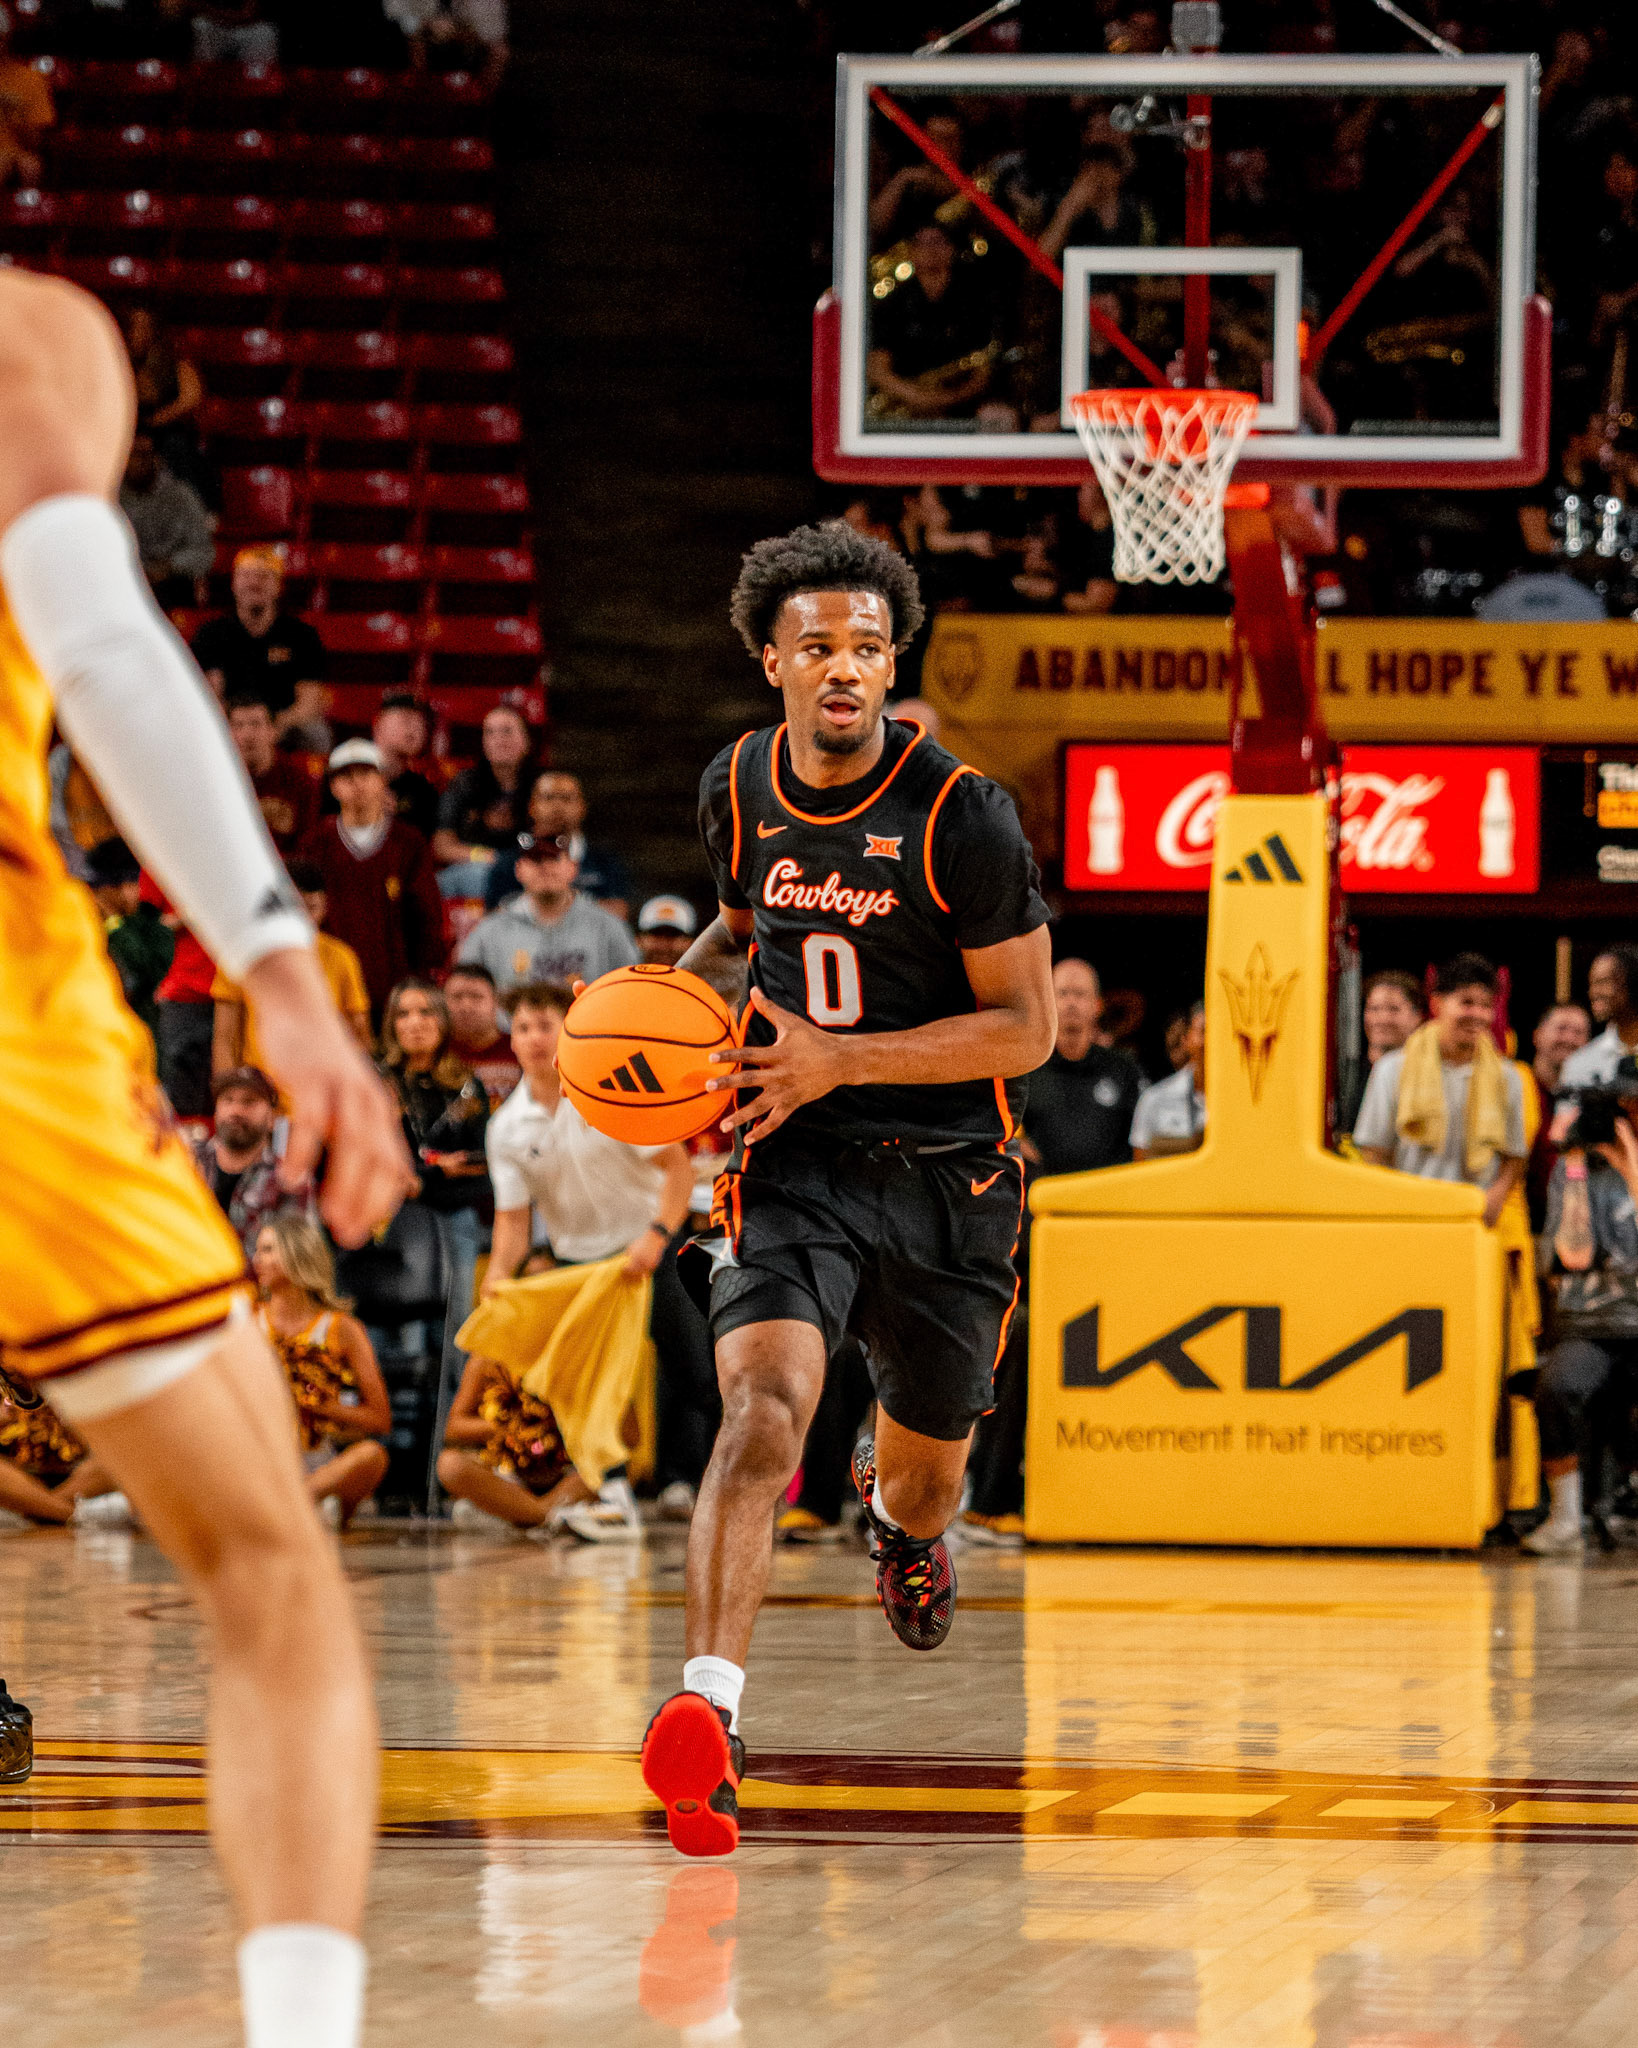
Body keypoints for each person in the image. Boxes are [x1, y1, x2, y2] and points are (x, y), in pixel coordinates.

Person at [0, 266, 415, 2047]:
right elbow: (100, 643)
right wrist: (279, 972)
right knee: (266, 1574)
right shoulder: (29, 341)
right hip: (17, 1055)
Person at [639, 522, 1053, 1858]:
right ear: (771, 660)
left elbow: (1028, 1029)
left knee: (930, 1487)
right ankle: (709, 1717)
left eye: (867, 648)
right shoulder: (737, 785)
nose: (843, 667)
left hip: (948, 1182)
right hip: (794, 1158)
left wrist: (843, 1057)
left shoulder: (962, 816)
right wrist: (660, 1017)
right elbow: (742, 931)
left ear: (891, 664)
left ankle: (895, 1517)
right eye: (815, 645)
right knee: (761, 1413)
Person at [482, 982, 696, 1539]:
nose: (534, 1038)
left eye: (545, 1025)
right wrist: (499, 1273)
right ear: (511, 1039)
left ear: (570, 1031)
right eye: (523, 1027)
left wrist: (656, 1235)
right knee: (588, 1388)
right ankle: (615, 1497)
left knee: (697, 1370)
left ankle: (703, 1482)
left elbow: (678, 1169)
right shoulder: (505, 1128)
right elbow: (513, 1222)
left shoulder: (612, 1088)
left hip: (653, 1248)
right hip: (581, 1265)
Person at [1524, 1064, 1638, 1556]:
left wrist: (1632, 1169)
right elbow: (1572, 1255)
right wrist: (1572, 1166)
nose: (1629, 1115)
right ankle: (1566, 1518)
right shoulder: (1578, 1170)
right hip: (1592, 1324)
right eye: (1623, 1106)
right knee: (1557, 1387)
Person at [252, 1215, 390, 1530]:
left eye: (268, 1250)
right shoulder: (247, 1318)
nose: (257, 1259)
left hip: (317, 1460)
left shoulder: (343, 1328)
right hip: (258, 1454)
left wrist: (319, 1407)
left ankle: (298, 1500)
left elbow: (380, 1419)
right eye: (258, 1250)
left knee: (372, 1455)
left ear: (298, 1255)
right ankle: (303, 1505)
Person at [299, 740, 446, 1023]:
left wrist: (420, 981)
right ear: (333, 786)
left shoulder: (410, 843)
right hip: (330, 990)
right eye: (347, 776)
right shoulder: (315, 844)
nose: (357, 784)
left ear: (382, 780)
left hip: (394, 991)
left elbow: (426, 918)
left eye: (366, 773)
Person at [213, 859, 373, 1080]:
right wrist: (228, 1090)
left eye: (311, 907)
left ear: (325, 907)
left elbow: (359, 1034)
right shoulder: (243, 954)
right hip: (261, 1088)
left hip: (322, 1085)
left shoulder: (341, 957)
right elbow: (225, 1037)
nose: (301, 917)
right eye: (292, 907)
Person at [457, 831, 638, 1000]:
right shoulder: (489, 932)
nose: (544, 867)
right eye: (535, 859)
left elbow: (632, 988)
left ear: (573, 868)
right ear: (518, 870)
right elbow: (464, 989)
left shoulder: (608, 928)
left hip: (587, 1023)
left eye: (554, 858)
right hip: (513, 1024)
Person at [435, 1355, 594, 1531]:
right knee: (451, 1465)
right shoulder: (485, 1358)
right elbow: (454, 1428)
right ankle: (545, 1515)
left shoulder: (574, 1351)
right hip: (509, 1478)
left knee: (601, 1472)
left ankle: (521, 1515)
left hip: (567, 1473)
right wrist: (510, 1428)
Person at [191, 548, 328, 749]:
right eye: (246, 576)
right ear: (233, 583)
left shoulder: (302, 635)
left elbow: (309, 702)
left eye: (264, 576)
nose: (254, 583)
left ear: (279, 586)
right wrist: (241, 727)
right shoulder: (211, 634)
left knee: (316, 734)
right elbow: (211, 698)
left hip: (283, 723)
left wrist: (272, 727)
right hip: (231, 722)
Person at [1024, 958, 1143, 1175]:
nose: (1071, 1003)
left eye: (1080, 994)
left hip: (1107, 1190)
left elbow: (1143, 1136)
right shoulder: (1027, 1070)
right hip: (1044, 1191)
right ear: (1047, 1002)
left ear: (1098, 1005)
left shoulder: (1123, 1069)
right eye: (1062, 994)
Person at [481, 767, 634, 918]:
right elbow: (493, 920)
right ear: (532, 806)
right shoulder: (508, 862)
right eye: (548, 798)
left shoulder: (605, 861)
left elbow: (618, 915)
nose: (557, 806)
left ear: (582, 807)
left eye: (566, 798)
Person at [192, 1066, 313, 1253]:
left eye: (249, 1102)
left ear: (272, 1118)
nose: (236, 1110)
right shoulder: (185, 1162)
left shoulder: (288, 1180)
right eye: (228, 1100)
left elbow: (297, 1255)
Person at [431, 701, 538, 898]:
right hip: (475, 868)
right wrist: (487, 856)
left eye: (507, 731)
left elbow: (559, 842)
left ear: (526, 740)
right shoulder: (464, 783)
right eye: (490, 733)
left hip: (530, 872)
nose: (498, 740)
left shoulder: (543, 786)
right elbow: (442, 847)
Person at [86, 835, 174, 1036]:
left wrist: (113, 923)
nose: (140, 890)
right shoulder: (81, 921)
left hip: (145, 1029)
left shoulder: (149, 919)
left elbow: (152, 969)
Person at [119, 433, 215, 608]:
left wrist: (169, 566)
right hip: (125, 581)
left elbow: (203, 551)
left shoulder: (181, 496)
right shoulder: (111, 498)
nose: (139, 462)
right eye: (133, 455)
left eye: (145, 454)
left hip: (172, 583)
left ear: (158, 459)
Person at [1525, 1001, 1593, 1228]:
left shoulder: (1592, 1100)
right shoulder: (1516, 1088)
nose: (1569, 1039)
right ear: (1537, 1036)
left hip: (1575, 1227)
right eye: (1561, 1028)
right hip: (1522, 1221)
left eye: (1579, 1033)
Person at [227, 696, 319, 857]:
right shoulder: (218, 781)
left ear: (273, 731)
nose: (247, 734)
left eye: (256, 724)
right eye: (238, 725)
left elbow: (307, 846)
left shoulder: (300, 781)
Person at [1339, 969, 1425, 1133]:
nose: (1382, 1019)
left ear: (1417, 1016)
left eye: (1393, 1009)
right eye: (1374, 1009)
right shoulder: (1345, 1075)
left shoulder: (1427, 1075)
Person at [1131, 1002, 1206, 1161]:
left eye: (1220, 1032)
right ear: (1186, 1040)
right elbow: (1140, 1163)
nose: (1211, 1040)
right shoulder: (1155, 1099)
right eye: (1204, 1031)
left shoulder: (1246, 1099)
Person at [443, 961, 522, 1110]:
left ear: (496, 1001)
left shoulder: (519, 1048)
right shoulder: (437, 1053)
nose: (466, 1006)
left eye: (476, 997)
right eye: (457, 997)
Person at [1561, 946, 1638, 1091]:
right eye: (1591, 984)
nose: (1593, 993)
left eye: (1602, 982)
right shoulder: (1580, 1064)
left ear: (1631, 982)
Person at [371, 693, 441, 844]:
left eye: (422, 722)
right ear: (378, 725)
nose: (416, 729)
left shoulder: (423, 789)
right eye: (406, 720)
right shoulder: (345, 775)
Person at [637, 895, 698, 967]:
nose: (663, 946)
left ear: (690, 943)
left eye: (673, 935)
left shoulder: (702, 975)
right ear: (639, 941)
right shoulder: (626, 972)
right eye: (656, 934)